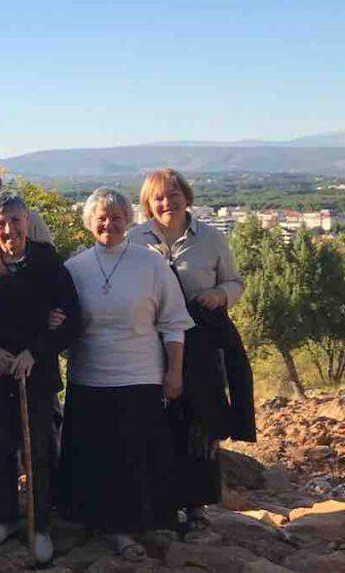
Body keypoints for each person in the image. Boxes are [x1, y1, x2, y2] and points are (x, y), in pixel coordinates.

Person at [59, 188, 194, 561]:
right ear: (89, 222)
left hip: (140, 376)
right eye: (101, 217)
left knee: (136, 456)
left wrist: (175, 372)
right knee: (98, 458)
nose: (109, 223)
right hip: (89, 377)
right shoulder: (75, 268)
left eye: (117, 217)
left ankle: (136, 525)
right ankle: (100, 523)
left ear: (128, 220)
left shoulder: (151, 264)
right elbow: (64, 324)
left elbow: (173, 323)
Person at [0, 193, 80, 562]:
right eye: (1, 223)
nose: (10, 230)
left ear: (27, 222)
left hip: (36, 377)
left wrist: (36, 352)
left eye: (15, 221)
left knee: (38, 449)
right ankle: (5, 517)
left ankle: (40, 525)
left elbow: (72, 317)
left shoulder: (49, 263)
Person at [128, 169, 254, 534]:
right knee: (161, 421)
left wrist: (221, 294)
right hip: (150, 342)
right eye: (158, 198)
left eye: (173, 194)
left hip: (201, 342)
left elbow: (235, 282)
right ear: (148, 204)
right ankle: (163, 504)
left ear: (187, 195)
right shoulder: (136, 239)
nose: (167, 202)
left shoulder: (212, 239)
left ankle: (197, 505)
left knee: (200, 420)